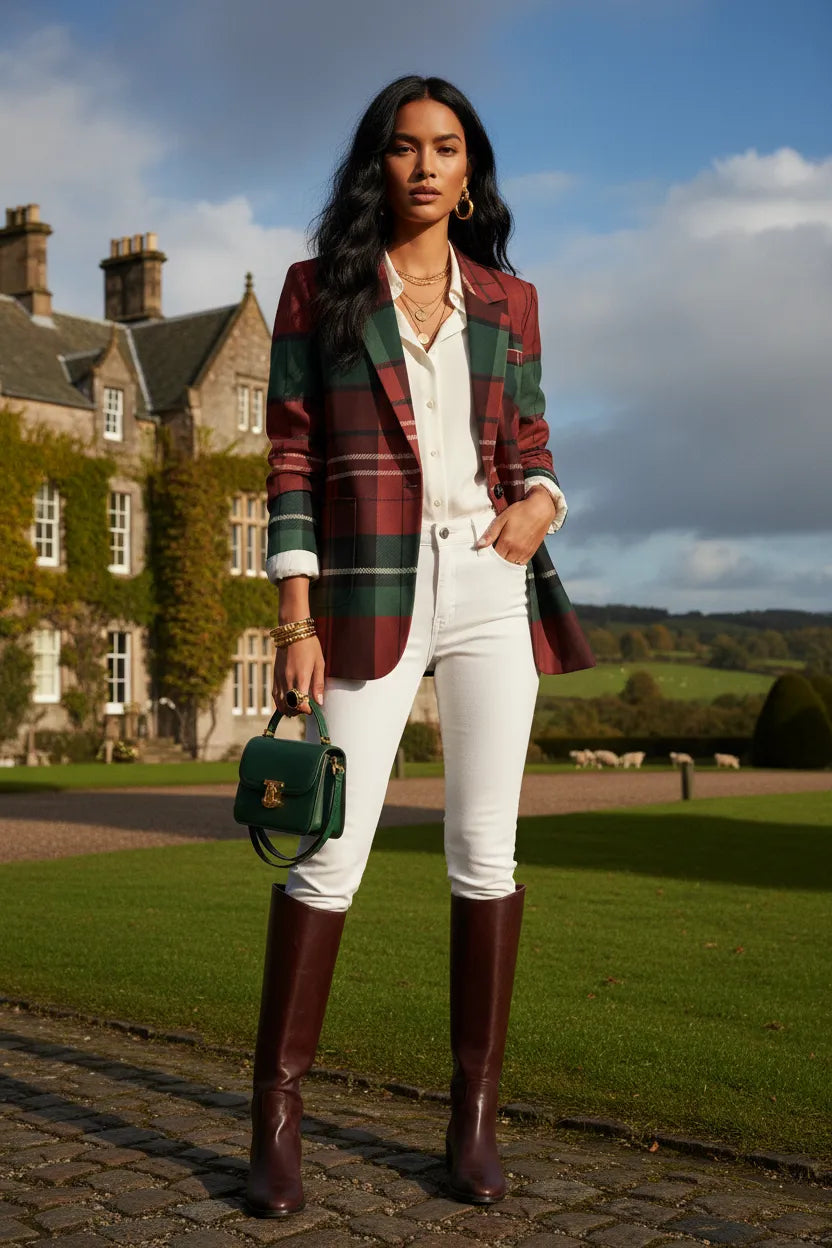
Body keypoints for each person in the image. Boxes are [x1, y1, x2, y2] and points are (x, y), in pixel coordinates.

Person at [245, 74, 596, 1220]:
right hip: (366, 588)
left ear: (469, 169)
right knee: (326, 856)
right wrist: (294, 617)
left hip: (489, 580)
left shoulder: (509, 299)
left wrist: (539, 505)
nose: (427, 166)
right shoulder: (318, 292)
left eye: (447, 148)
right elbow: (290, 460)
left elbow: (530, 440)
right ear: (377, 166)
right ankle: (277, 1128)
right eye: (405, 149)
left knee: (484, 858)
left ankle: (473, 1127)